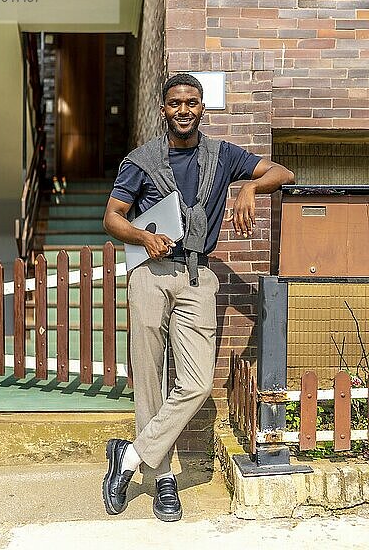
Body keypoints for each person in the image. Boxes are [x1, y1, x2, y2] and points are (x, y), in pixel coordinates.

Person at [102, 73, 294, 522]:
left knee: (196, 383)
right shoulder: (141, 160)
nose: (184, 110)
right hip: (150, 273)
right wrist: (141, 238)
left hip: (197, 275)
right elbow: (112, 217)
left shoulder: (223, 155)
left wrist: (249, 186)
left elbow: (283, 172)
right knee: (150, 374)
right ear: (163, 108)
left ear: (202, 108)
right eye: (175, 103)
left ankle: (129, 458)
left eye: (192, 102)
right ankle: (163, 478)